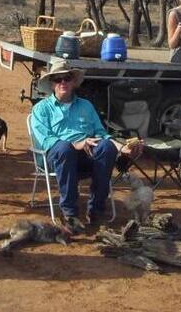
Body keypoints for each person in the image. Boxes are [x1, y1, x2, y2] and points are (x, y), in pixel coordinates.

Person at [30, 61, 143, 233]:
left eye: (67, 78)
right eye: (58, 79)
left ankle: (96, 210)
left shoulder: (86, 106)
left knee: (106, 147)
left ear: (73, 82)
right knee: (64, 148)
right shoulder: (41, 109)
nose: (63, 83)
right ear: (52, 84)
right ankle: (70, 214)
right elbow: (46, 141)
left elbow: (101, 133)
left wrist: (122, 148)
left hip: (87, 154)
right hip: (57, 157)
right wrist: (76, 144)